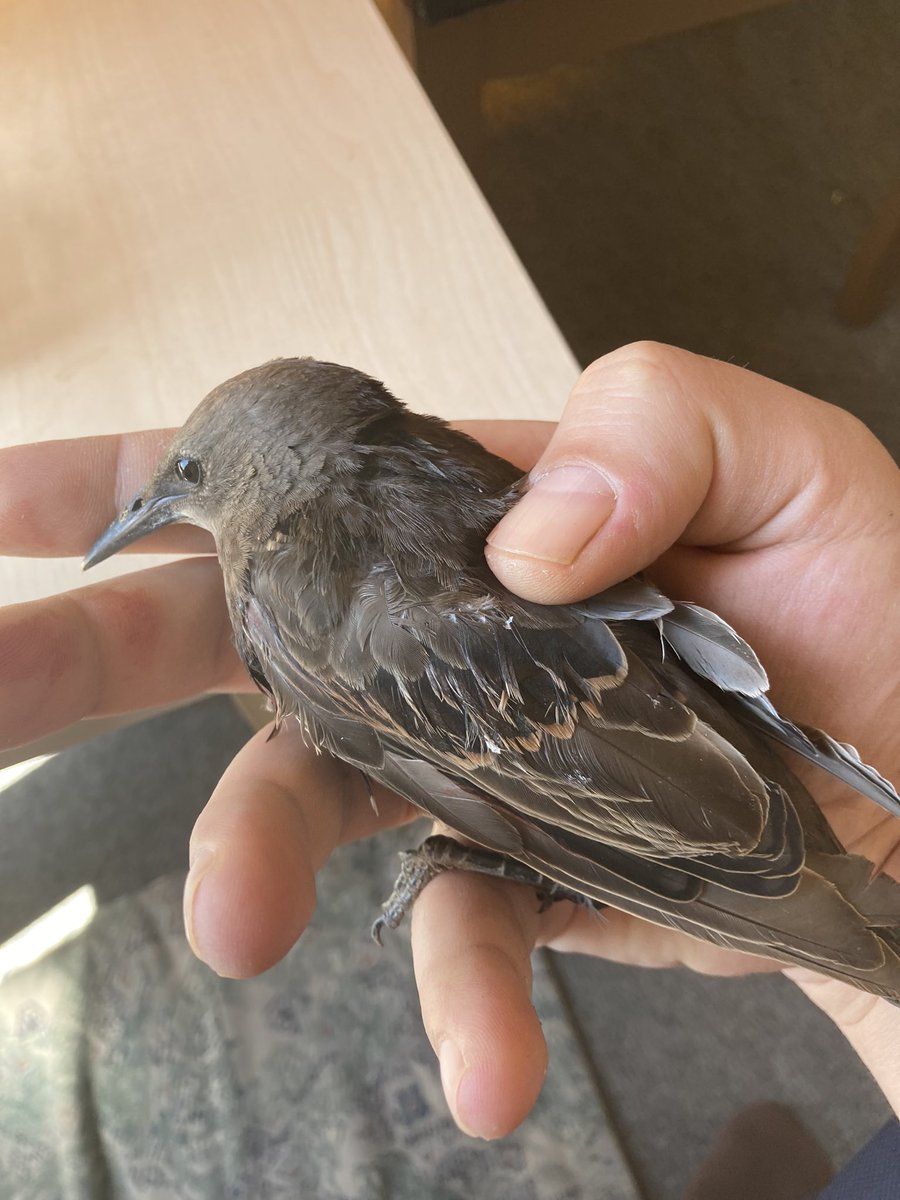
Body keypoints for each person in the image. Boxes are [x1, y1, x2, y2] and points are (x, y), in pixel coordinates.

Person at [2, 342, 898, 1192]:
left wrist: (511, 845)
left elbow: (518, 783)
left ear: (252, 465)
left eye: (186, 477)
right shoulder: (397, 476)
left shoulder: (287, 579)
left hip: (671, 802)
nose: (148, 508)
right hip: (693, 751)